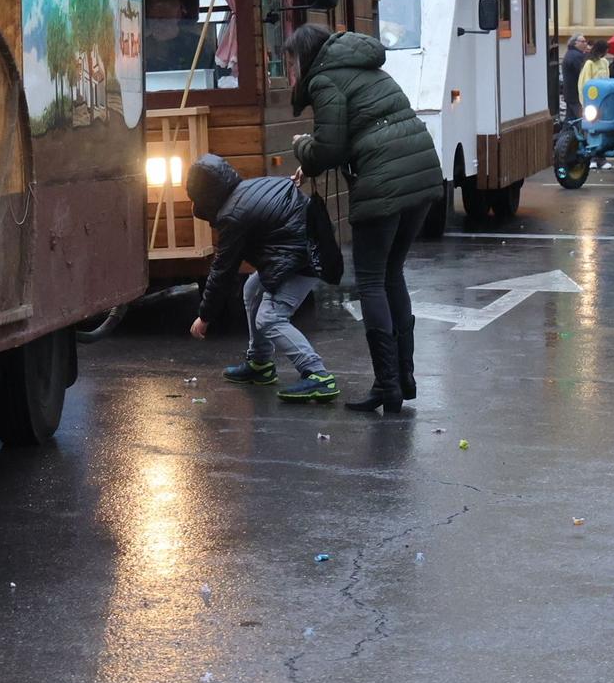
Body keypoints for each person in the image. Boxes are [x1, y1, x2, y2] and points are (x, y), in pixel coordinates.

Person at [285, 24, 444, 414]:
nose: (289, 72)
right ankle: (403, 379)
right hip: (422, 174)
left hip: (383, 183)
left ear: (304, 59)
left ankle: (388, 386)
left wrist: (302, 148)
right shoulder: (367, 68)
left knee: (372, 280)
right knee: (393, 274)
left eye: (289, 63)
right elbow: (358, 131)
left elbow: (330, 148)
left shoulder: (324, 81)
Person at [183, 154, 339, 401]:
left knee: (270, 318)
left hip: (303, 259)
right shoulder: (250, 186)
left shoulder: (233, 215)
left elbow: (223, 270)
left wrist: (205, 316)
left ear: (206, 197)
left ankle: (317, 375)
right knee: (252, 289)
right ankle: (260, 364)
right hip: (309, 246)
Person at [559, 35, 590, 122]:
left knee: (570, 120)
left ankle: (565, 134)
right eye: (583, 41)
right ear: (575, 43)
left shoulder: (570, 53)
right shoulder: (576, 56)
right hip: (576, 94)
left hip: (570, 93)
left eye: (585, 41)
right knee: (583, 120)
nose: (585, 44)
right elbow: (583, 73)